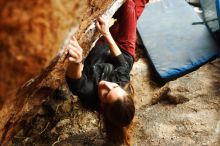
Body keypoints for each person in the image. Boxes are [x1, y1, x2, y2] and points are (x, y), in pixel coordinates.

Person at [66, 0, 148, 144]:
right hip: (123, 50)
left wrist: (77, 61)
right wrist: (106, 33)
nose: (107, 84)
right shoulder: (121, 83)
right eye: (115, 87)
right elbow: (122, 63)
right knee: (129, 6)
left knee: (132, 6)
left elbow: (75, 80)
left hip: (101, 49)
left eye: (106, 93)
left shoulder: (89, 95)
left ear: (102, 105)